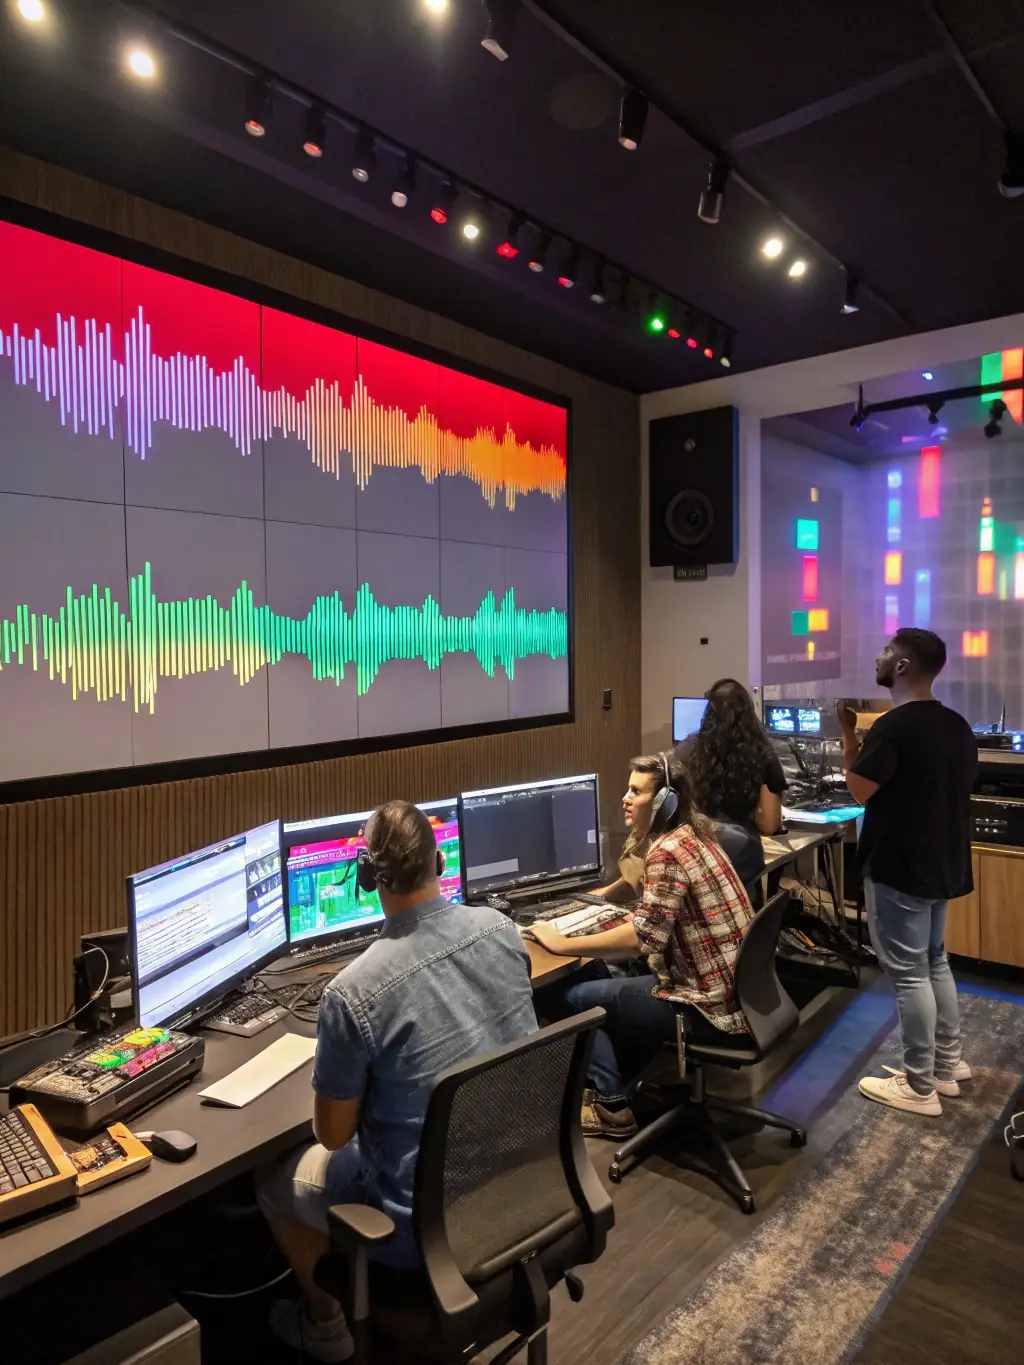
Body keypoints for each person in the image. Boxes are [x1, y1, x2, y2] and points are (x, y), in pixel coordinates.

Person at [257, 800, 537, 1361]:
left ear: (367, 876)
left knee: (270, 1179)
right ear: (440, 861)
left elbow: (333, 1136)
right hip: (522, 1189)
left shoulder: (351, 991)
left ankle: (327, 1327)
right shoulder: (502, 929)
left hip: (420, 1230)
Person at [528, 753, 755, 1139]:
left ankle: (611, 1105)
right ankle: (625, 1082)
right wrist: (604, 897)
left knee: (572, 996)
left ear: (666, 800)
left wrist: (563, 942)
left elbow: (644, 938)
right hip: (737, 997)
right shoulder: (695, 834)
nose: (625, 799)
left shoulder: (666, 852)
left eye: (636, 791)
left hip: (703, 1008)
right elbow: (656, 906)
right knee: (605, 976)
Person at [839, 628, 977, 1117]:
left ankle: (919, 1086)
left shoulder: (894, 728)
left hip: (899, 866)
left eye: (885, 652)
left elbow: (858, 789)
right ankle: (946, 1066)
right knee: (935, 962)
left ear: (903, 666)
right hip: (941, 862)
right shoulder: (957, 725)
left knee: (909, 974)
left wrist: (848, 734)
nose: (877, 658)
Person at [678, 678, 787, 886]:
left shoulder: (686, 749)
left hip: (694, 854)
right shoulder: (762, 752)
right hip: (741, 859)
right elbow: (769, 825)